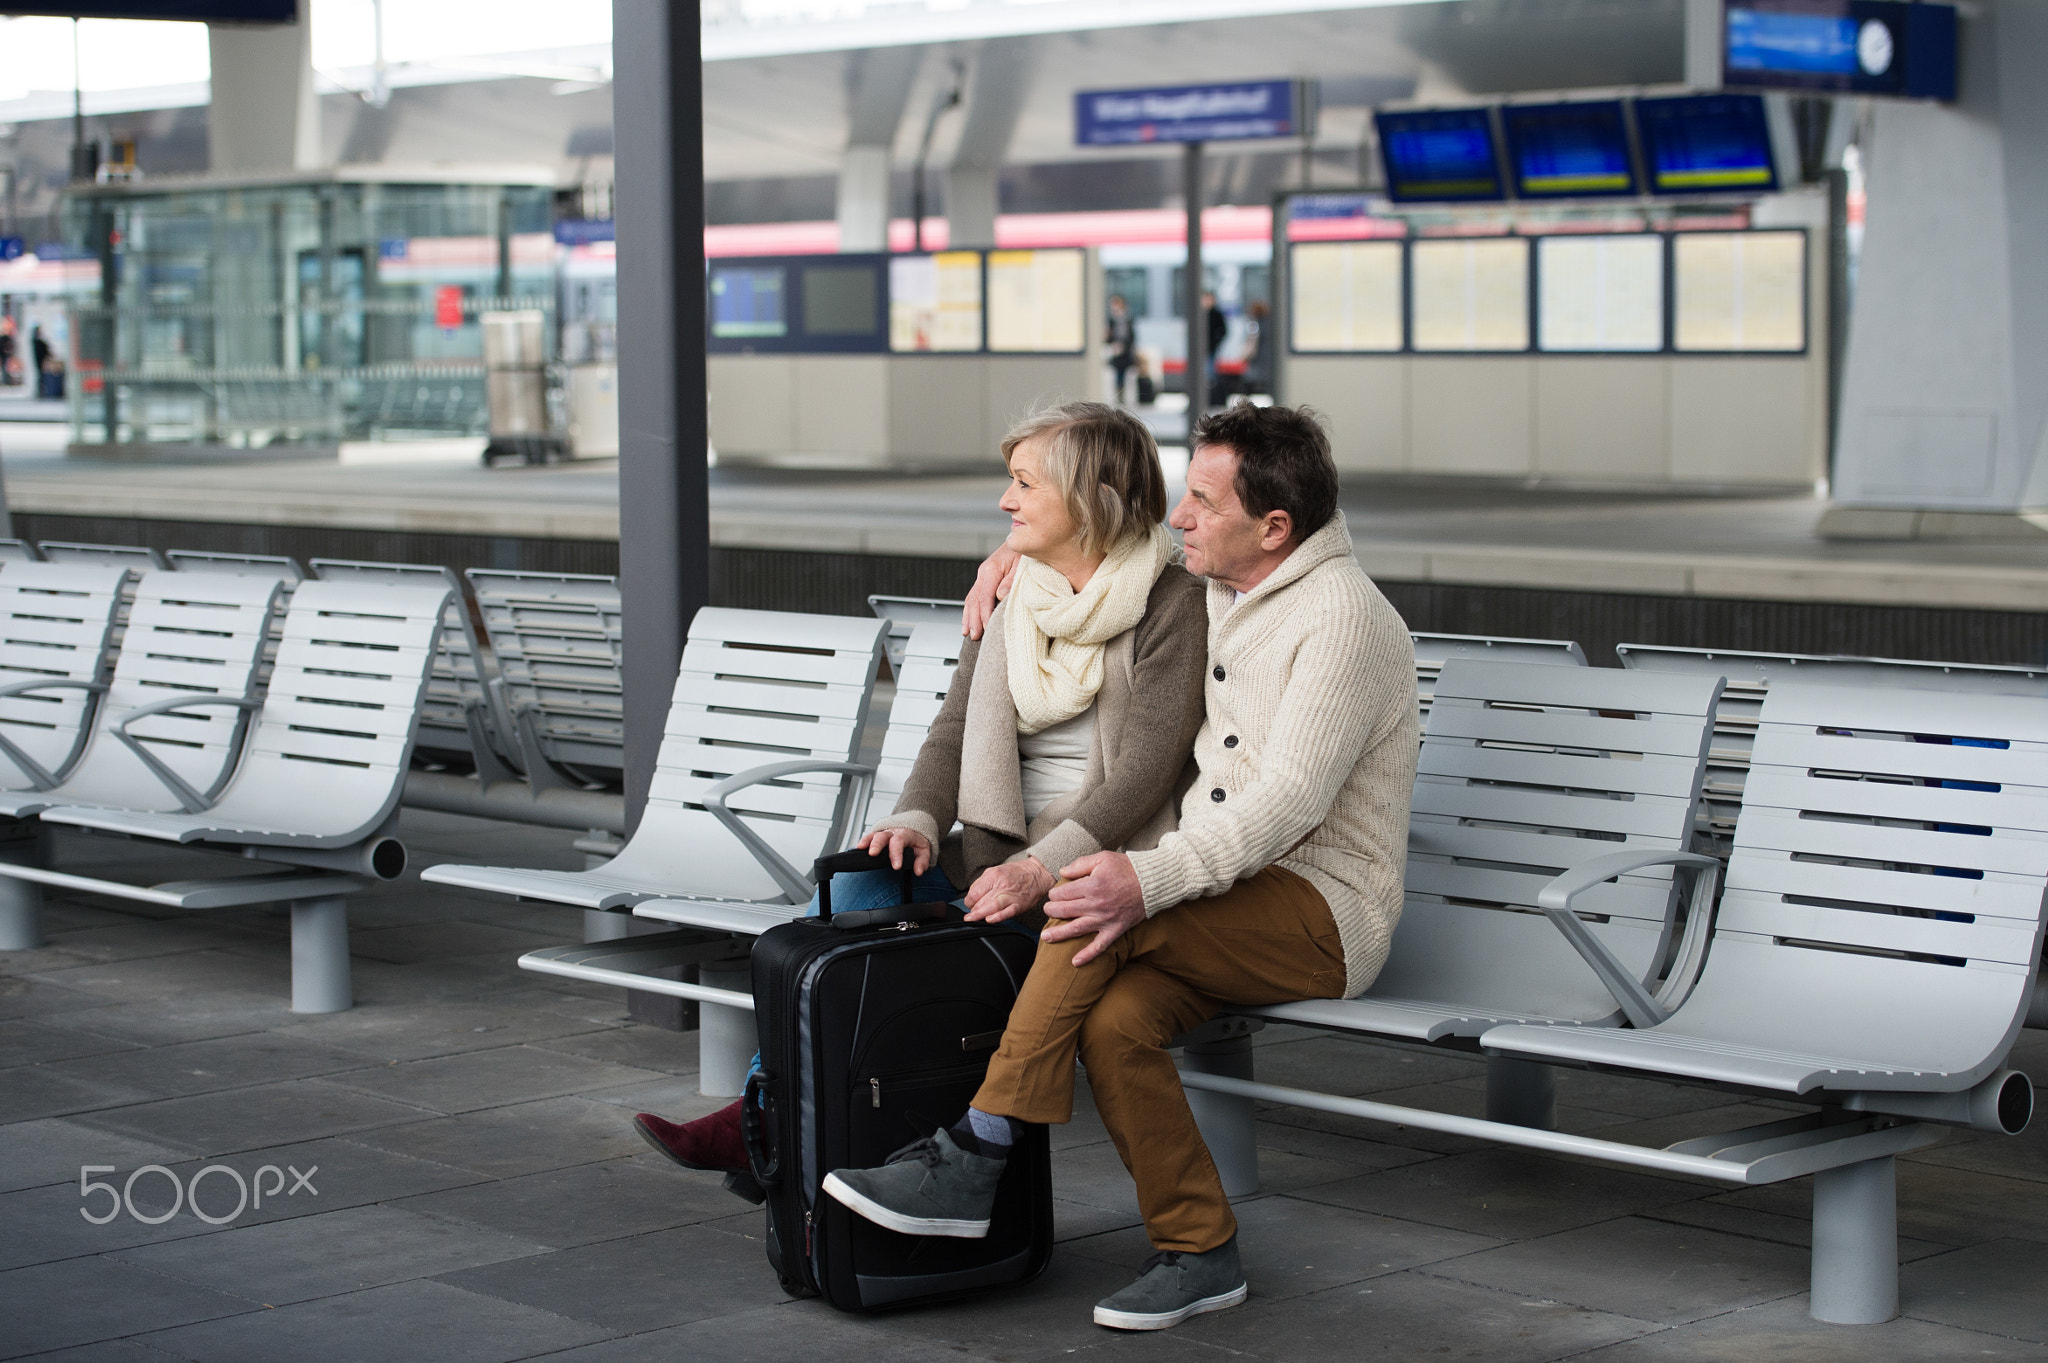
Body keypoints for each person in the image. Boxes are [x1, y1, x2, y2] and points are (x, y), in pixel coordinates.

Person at [823, 404, 1419, 1332]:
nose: (1179, 516)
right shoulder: (1230, 583)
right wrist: (1007, 557)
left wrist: (1146, 880)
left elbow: (1288, 803)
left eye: (1203, 501)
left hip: (1323, 911)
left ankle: (978, 1150)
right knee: (1115, 1022)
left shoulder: (1341, 616)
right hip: (1231, 893)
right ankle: (1200, 1249)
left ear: (1274, 527)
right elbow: (1111, 550)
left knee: (1092, 903)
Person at [633, 400, 1210, 1185]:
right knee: (858, 889)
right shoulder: (1013, 592)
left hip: (1094, 868)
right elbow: (954, 727)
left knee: (901, 965)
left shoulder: (1172, 603)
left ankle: (779, 1131)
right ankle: (766, 1112)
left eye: (1025, 483)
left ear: (1093, 498)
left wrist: (1038, 868)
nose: (1005, 501)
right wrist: (915, 818)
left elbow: (1144, 776)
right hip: (996, 852)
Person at [1105, 295, 1137, 406]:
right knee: (1116, 378)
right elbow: (1108, 338)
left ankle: (1124, 400)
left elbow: (1131, 337)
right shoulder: (1111, 320)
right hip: (1115, 354)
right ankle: (1118, 399)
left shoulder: (1128, 319)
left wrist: (1125, 347)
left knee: (1126, 378)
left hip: (1126, 354)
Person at [1202, 291, 1228, 401]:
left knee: (1210, 372)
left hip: (1211, 348)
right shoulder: (1200, 313)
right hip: (1200, 350)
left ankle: (1211, 396)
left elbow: (1223, 331)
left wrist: (1216, 341)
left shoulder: (1216, 314)